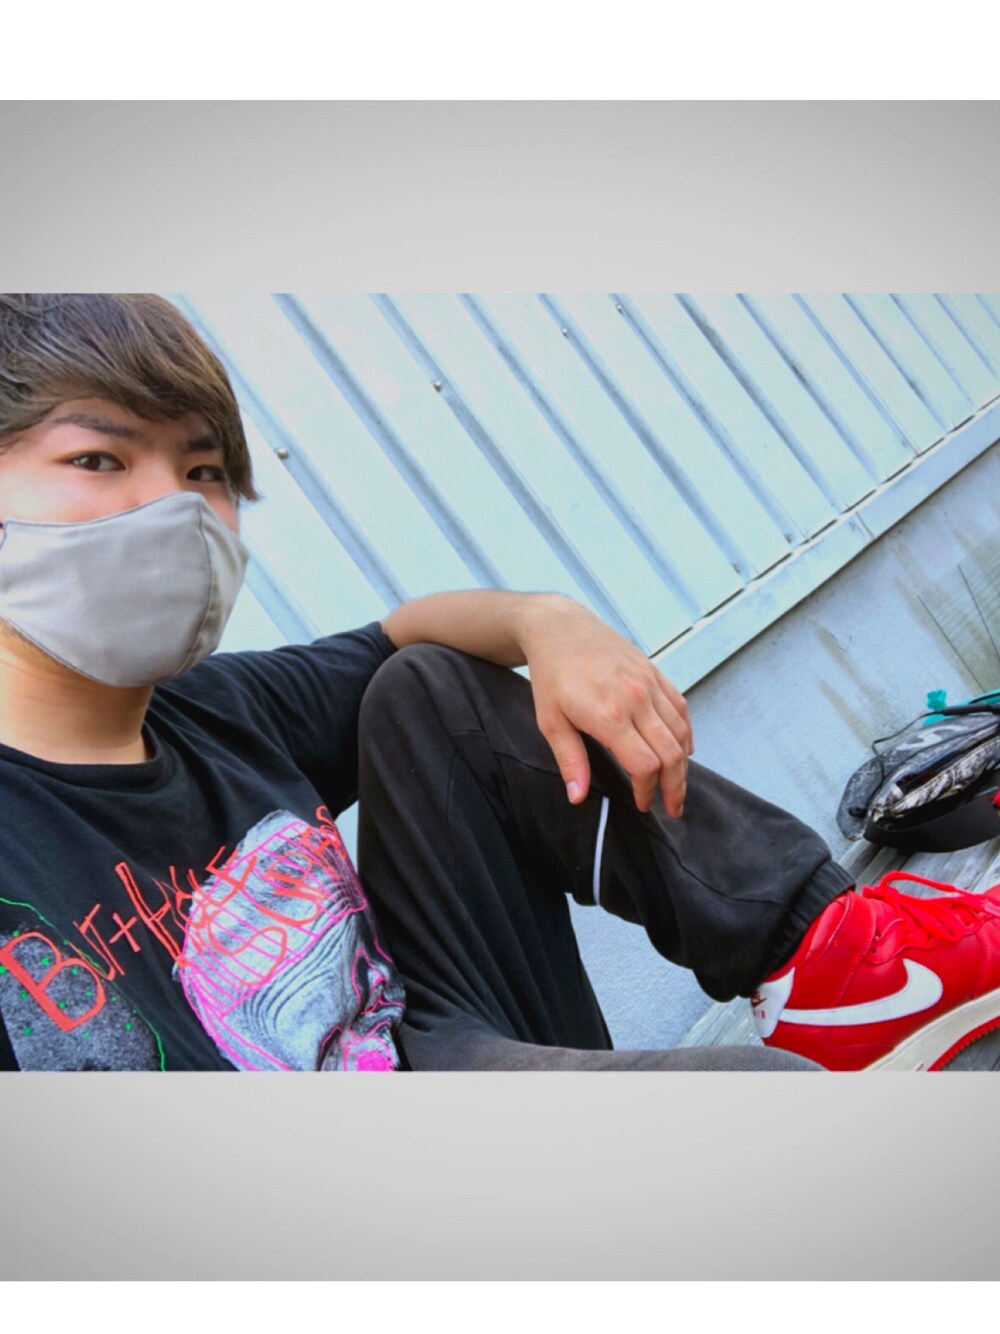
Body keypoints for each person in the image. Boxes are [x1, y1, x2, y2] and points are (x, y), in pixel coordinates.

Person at [1, 294, 998, 1075]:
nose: (171, 511)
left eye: (204, 471)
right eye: (97, 458)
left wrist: (545, 622)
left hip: (431, 1046)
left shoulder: (220, 713)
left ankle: (842, 967)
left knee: (430, 690)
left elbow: (401, 636)